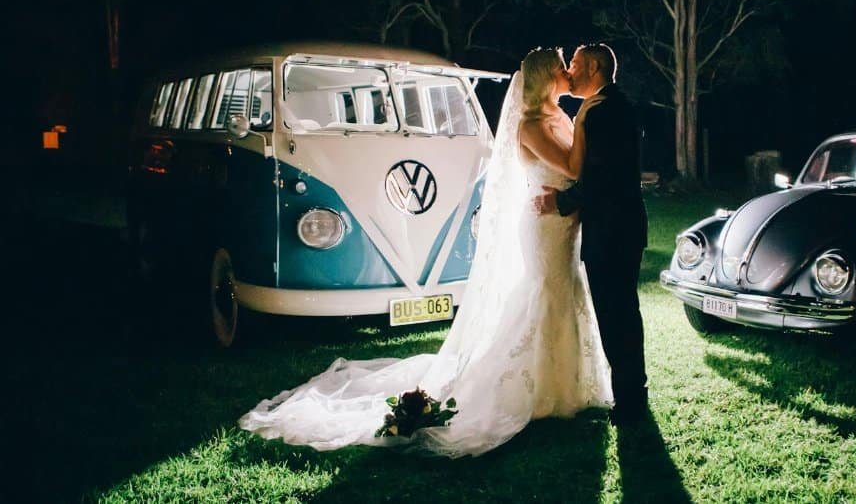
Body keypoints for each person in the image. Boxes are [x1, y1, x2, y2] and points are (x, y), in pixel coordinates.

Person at [238, 47, 612, 457]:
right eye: (563, 67)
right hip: (544, 226)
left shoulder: (557, 115)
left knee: (562, 290)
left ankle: (568, 383)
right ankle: (541, 389)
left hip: (563, 223)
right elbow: (575, 168)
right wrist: (589, 119)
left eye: (570, 66)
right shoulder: (532, 124)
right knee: (545, 292)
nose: (568, 72)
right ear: (546, 77)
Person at [533, 43, 650, 426]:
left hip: (613, 230)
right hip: (615, 228)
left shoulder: (604, 111)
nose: (570, 70)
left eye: (576, 64)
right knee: (620, 315)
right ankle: (632, 395)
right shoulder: (602, 107)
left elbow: (602, 178)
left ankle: (631, 401)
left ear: (595, 66)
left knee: (618, 317)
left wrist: (562, 202)